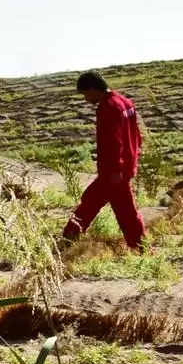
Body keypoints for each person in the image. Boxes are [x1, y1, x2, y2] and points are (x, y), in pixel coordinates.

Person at [60, 70, 145, 252]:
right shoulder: (125, 102)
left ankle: (68, 239)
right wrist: (131, 160)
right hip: (125, 165)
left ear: (93, 89)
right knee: (122, 208)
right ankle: (139, 246)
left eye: (85, 94)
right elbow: (136, 135)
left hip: (114, 170)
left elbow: (113, 141)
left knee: (93, 203)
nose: (86, 99)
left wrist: (115, 169)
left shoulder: (108, 107)